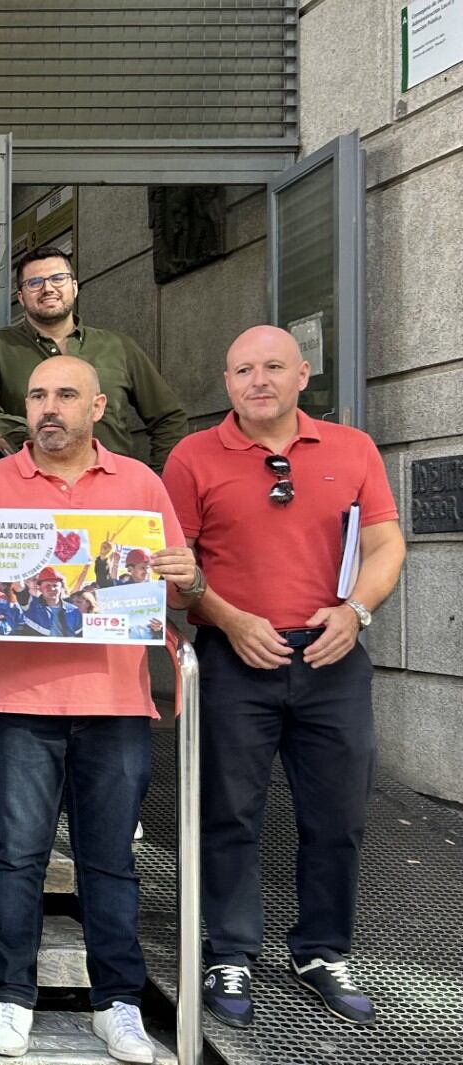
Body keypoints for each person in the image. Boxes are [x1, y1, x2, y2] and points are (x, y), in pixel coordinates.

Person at [0, 356, 199, 1065]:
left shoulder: (141, 484)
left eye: (64, 396)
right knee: (18, 856)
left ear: (98, 407)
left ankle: (117, 1002)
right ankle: (12, 995)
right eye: (38, 396)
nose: (49, 407)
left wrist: (187, 575)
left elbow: (178, 591)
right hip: (17, 703)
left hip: (114, 703)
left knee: (108, 861)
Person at [162, 326, 405, 1028]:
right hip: (236, 658)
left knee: (339, 817)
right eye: (243, 370)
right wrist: (232, 620)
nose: (257, 380)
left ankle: (324, 950)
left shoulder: (352, 449)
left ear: (304, 374)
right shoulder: (192, 457)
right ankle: (230, 950)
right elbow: (176, 566)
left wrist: (356, 611)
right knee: (228, 813)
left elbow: (386, 541)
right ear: (226, 381)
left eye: (273, 367)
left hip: (333, 657)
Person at [0, 247, 189, 473]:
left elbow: (168, 418)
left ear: (74, 288)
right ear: (21, 298)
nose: (48, 288)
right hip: (29, 487)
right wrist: (27, 432)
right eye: (34, 282)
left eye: (58, 278)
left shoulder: (118, 347)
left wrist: (158, 478)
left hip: (112, 490)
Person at [17, 570, 83, 637]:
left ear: (61, 588)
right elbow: (18, 587)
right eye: (47, 585)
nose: (52, 588)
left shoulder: (74, 610)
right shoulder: (31, 605)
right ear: (40, 588)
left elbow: (80, 637)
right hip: (39, 647)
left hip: (67, 647)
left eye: (55, 585)